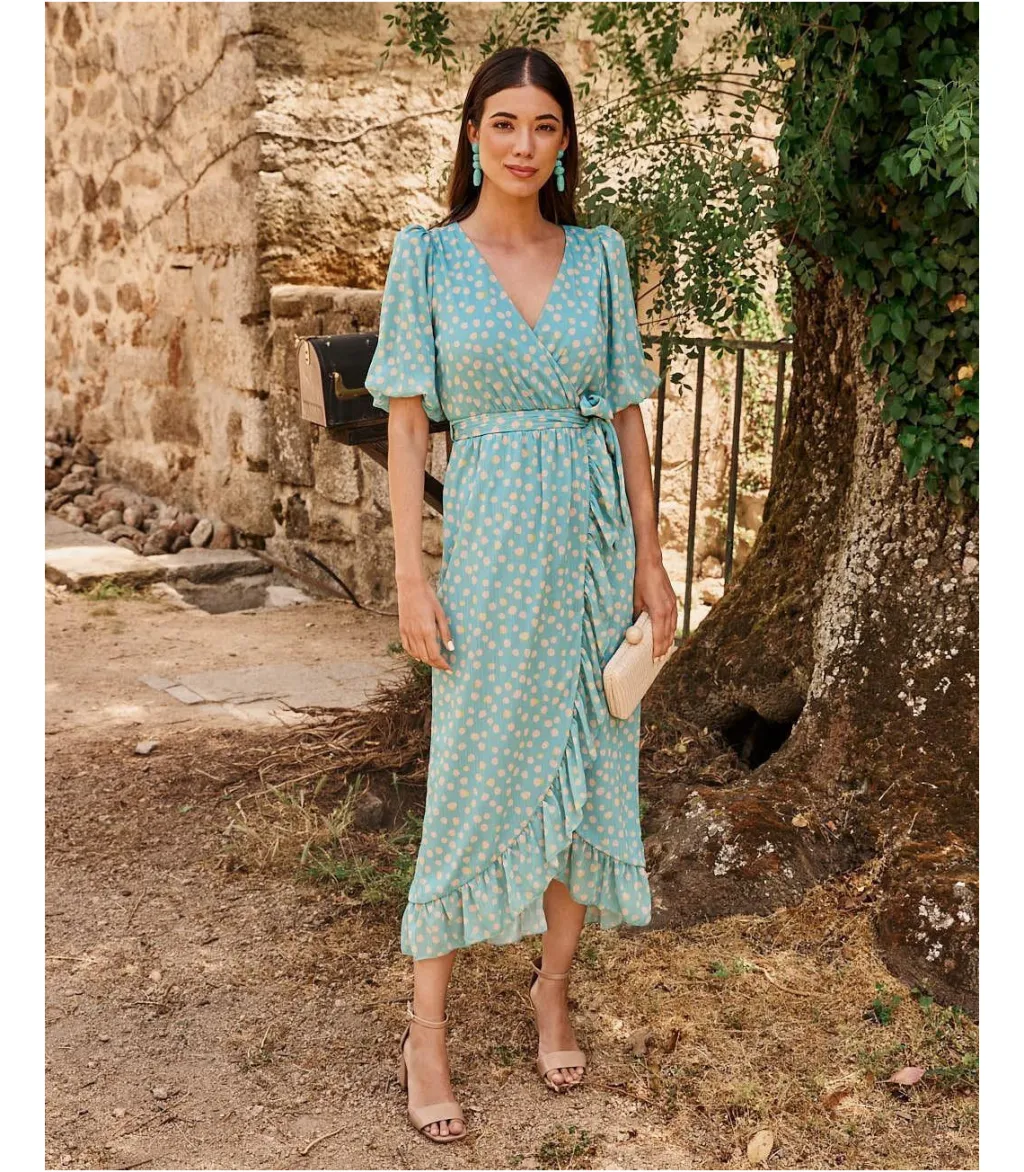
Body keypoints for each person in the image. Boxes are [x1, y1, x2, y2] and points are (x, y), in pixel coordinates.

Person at [363, 45, 678, 1143]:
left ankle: (553, 990)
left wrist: (650, 558)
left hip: (593, 545)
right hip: (490, 550)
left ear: (565, 141)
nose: (524, 144)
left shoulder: (598, 255)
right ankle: (427, 1031)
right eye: (504, 122)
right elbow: (409, 424)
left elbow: (627, 412)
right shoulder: (427, 259)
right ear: (472, 133)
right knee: (470, 774)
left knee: (588, 766)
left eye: (545, 125)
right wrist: (411, 573)